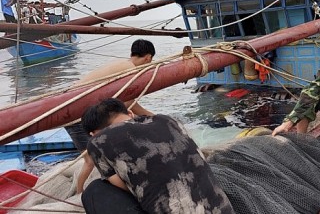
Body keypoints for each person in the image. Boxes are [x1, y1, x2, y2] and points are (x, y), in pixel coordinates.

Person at [81, 98, 234, 214]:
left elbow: (124, 186)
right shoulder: (167, 120)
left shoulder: (98, 141)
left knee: (94, 190)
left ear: (93, 134)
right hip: (222, 209)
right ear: (130, 114)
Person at [69, 39, 156, 193]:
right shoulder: (130, 70)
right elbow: (128, 102)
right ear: (148, 58)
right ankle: (79, 193)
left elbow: (122, 103)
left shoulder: (122, 64)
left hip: (76, 110)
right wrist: (151, 115)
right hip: (75, 115)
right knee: (89, 160)